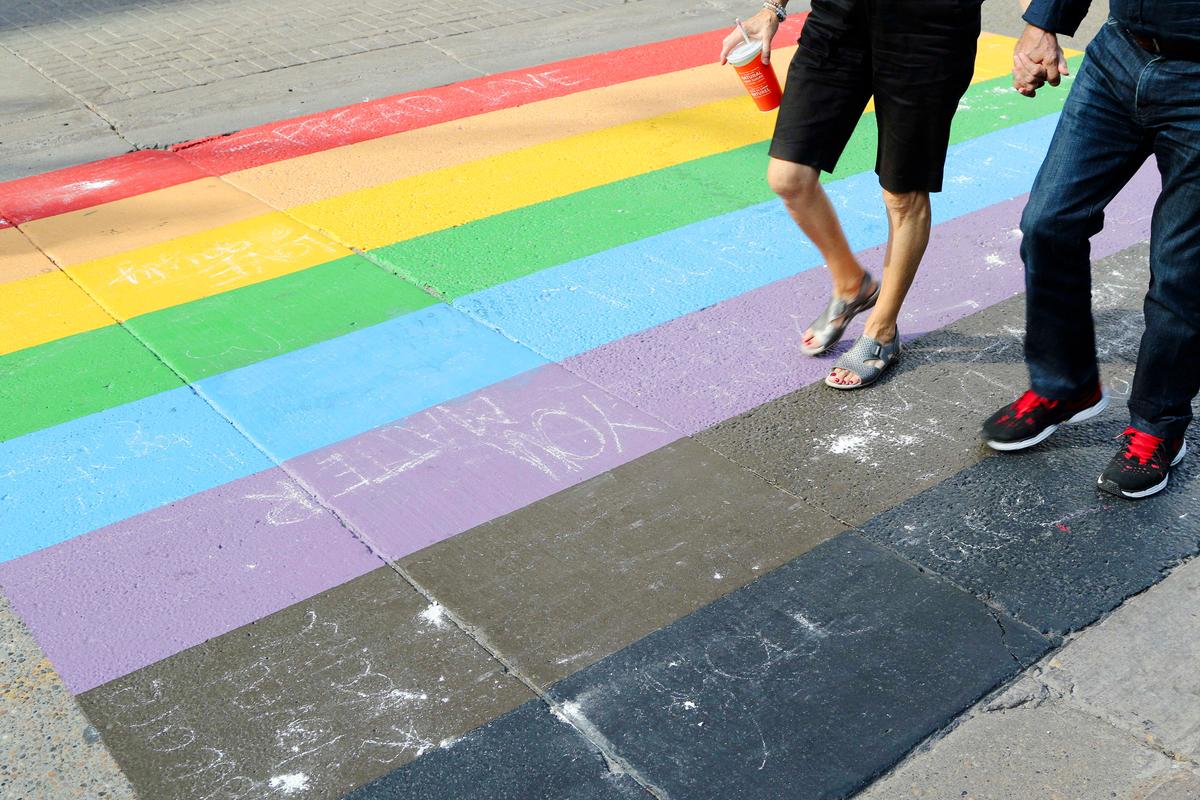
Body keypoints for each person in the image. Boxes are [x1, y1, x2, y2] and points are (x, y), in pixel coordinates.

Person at [981, 0, 1200, 499]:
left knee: (1181, 270)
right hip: (1119, 53)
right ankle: (1066, 385)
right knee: (1049, 224)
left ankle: (1158, 423)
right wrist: (1043, 22)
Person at [722, 0, 983, 389]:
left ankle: (881, 331)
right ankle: (852, 283)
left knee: (902, 194)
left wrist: (1037, 27)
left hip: (930, 31)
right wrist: (772, 8)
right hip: (839, 20)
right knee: (787, 177)